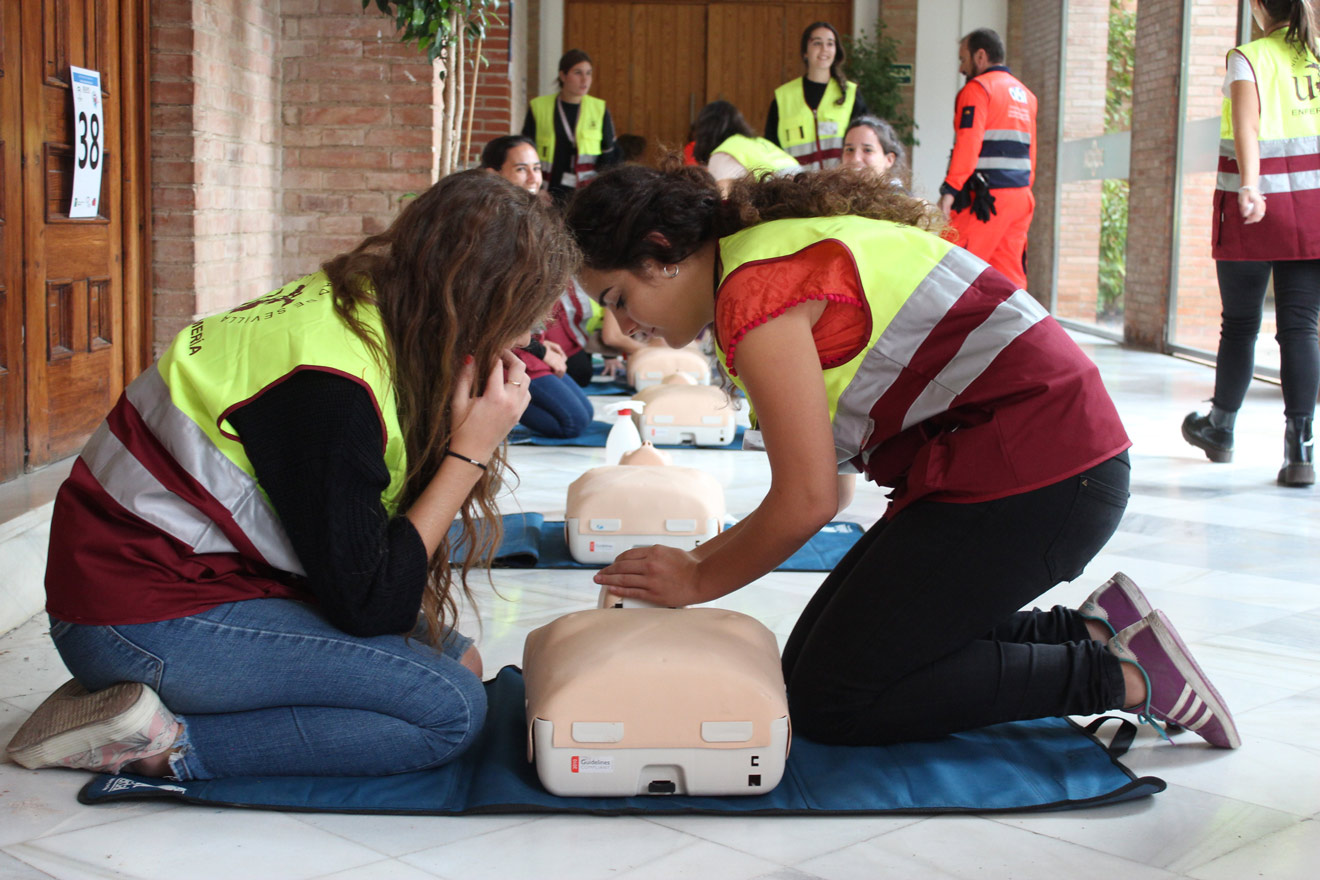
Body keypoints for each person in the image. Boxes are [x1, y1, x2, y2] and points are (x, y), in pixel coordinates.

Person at [565, 160, 1240, 749]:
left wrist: (697, 580)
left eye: (620, 299)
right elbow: (831, 486)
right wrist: (693, 562)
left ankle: (1126, 678)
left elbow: (807, 501)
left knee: (834, 699)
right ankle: (1092, 632)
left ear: (662, 252)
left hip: (1043, 477)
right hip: (1031, 463)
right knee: (811, 668)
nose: (623, 328)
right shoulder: (756, 258)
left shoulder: (755, 293)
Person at [5, 172, 580, 779]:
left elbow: (363, 569)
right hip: (134, 618)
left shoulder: (365, 300)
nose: (531, 337)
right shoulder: (331, 391)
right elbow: (371, 605)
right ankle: (157, 746)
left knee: (459, 664)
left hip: (197, 584)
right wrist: (471, 451)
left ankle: (130, 709)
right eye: (527, 315)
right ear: (478, 303)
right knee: (448, 711)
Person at [1182, 0, 1319, 487]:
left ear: (1260, 7)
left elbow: (1247, 125)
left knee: (1240, 323)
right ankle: (1300, 448)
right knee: (1301, 327)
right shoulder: (1317, 54)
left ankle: (1220, 429)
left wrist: (1250, 186)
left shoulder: (1249, 56)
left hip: (1256, 206)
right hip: (1314, 208)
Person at [937, 28, 1037, 289]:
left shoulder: (977, 89)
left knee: (950, 267)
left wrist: (949, 191)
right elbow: (1031, 152)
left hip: (985, 201)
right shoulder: (1027, 96)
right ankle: (1017, 329)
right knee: (1009, 278)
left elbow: (968, 145)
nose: (962, 67)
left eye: (963, 59)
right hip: (1020, 198)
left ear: (980, 56)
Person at [765, 22, 870, 170]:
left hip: (840, 186)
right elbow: (771, 150)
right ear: (805, 52)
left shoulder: (850, 95)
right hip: (795, 187)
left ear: (836, 51)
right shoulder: (783, 98)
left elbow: (864, 142)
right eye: (817, 43)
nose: (824, 49)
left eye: (830, 44)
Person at [522, 49, 620, 204]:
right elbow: (525, 153)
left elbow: (611, 157)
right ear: (562, 76)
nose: (585, 79)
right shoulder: (539, 107)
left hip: (586, 195)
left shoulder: (599, 109)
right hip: (547, 193)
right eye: (578, 73)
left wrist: (601, 191)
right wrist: (536, 189)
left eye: (588, 73)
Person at [693, 100, 799, 191]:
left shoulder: (723, 153)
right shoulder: (760, 142)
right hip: (803, 194)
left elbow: (722, 197)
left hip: (780, 201)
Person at [841, 115, 911, 191]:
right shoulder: (832, 197)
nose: (855, 159)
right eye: (850, 149)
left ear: (889, 159)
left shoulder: (900, 201)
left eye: (867, 150)